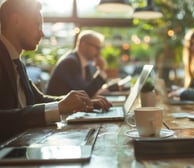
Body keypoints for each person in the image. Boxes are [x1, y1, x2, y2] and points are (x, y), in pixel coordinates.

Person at [0, 0, 112, 143]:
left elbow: (38, 99)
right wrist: (60, 107)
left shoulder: (15, 61)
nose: (42, 33)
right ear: (16, 20)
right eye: (36, 24)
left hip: (22, 142)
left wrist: (80, 102)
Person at [46, 30, 108, 97]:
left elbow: (89, 91)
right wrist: (101, 71)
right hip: (58, 106)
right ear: (83, 45)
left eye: (100, 48)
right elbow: (85, 93)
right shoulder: (69, 62)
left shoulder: (86, 64)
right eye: (97, 48)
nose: (99, 52)